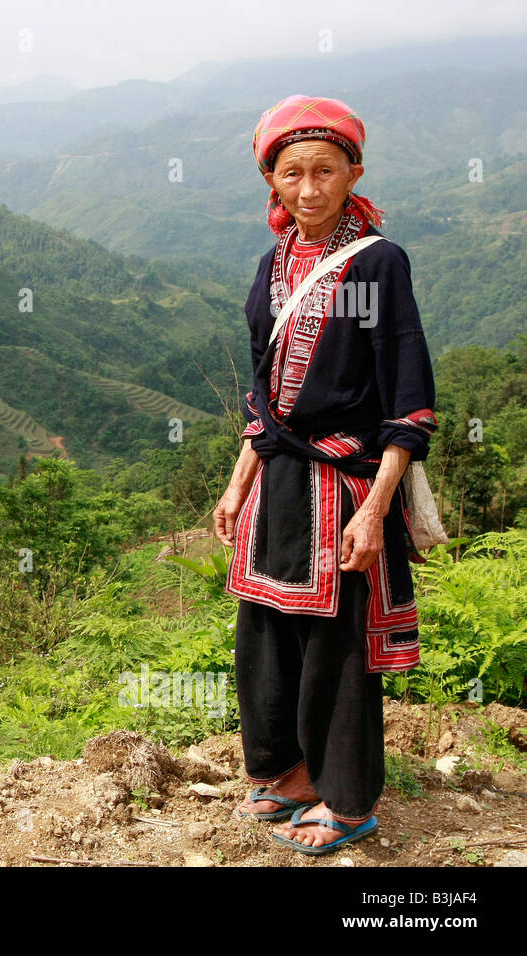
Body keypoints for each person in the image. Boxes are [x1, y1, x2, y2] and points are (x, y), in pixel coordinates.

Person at [212, 94, 439, 855]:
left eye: (325, 171)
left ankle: (346, 800)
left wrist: (375, 509)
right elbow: (264, 395)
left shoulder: (377, 262)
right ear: (270, 180)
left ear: (354, 174)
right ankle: (287, 772)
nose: (308, 189)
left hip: (342, 485)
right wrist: (237, 482)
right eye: (291, 172)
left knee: (336, 649)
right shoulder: (273, 264)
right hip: (276, 488)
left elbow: (408, 400)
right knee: (266, 637)